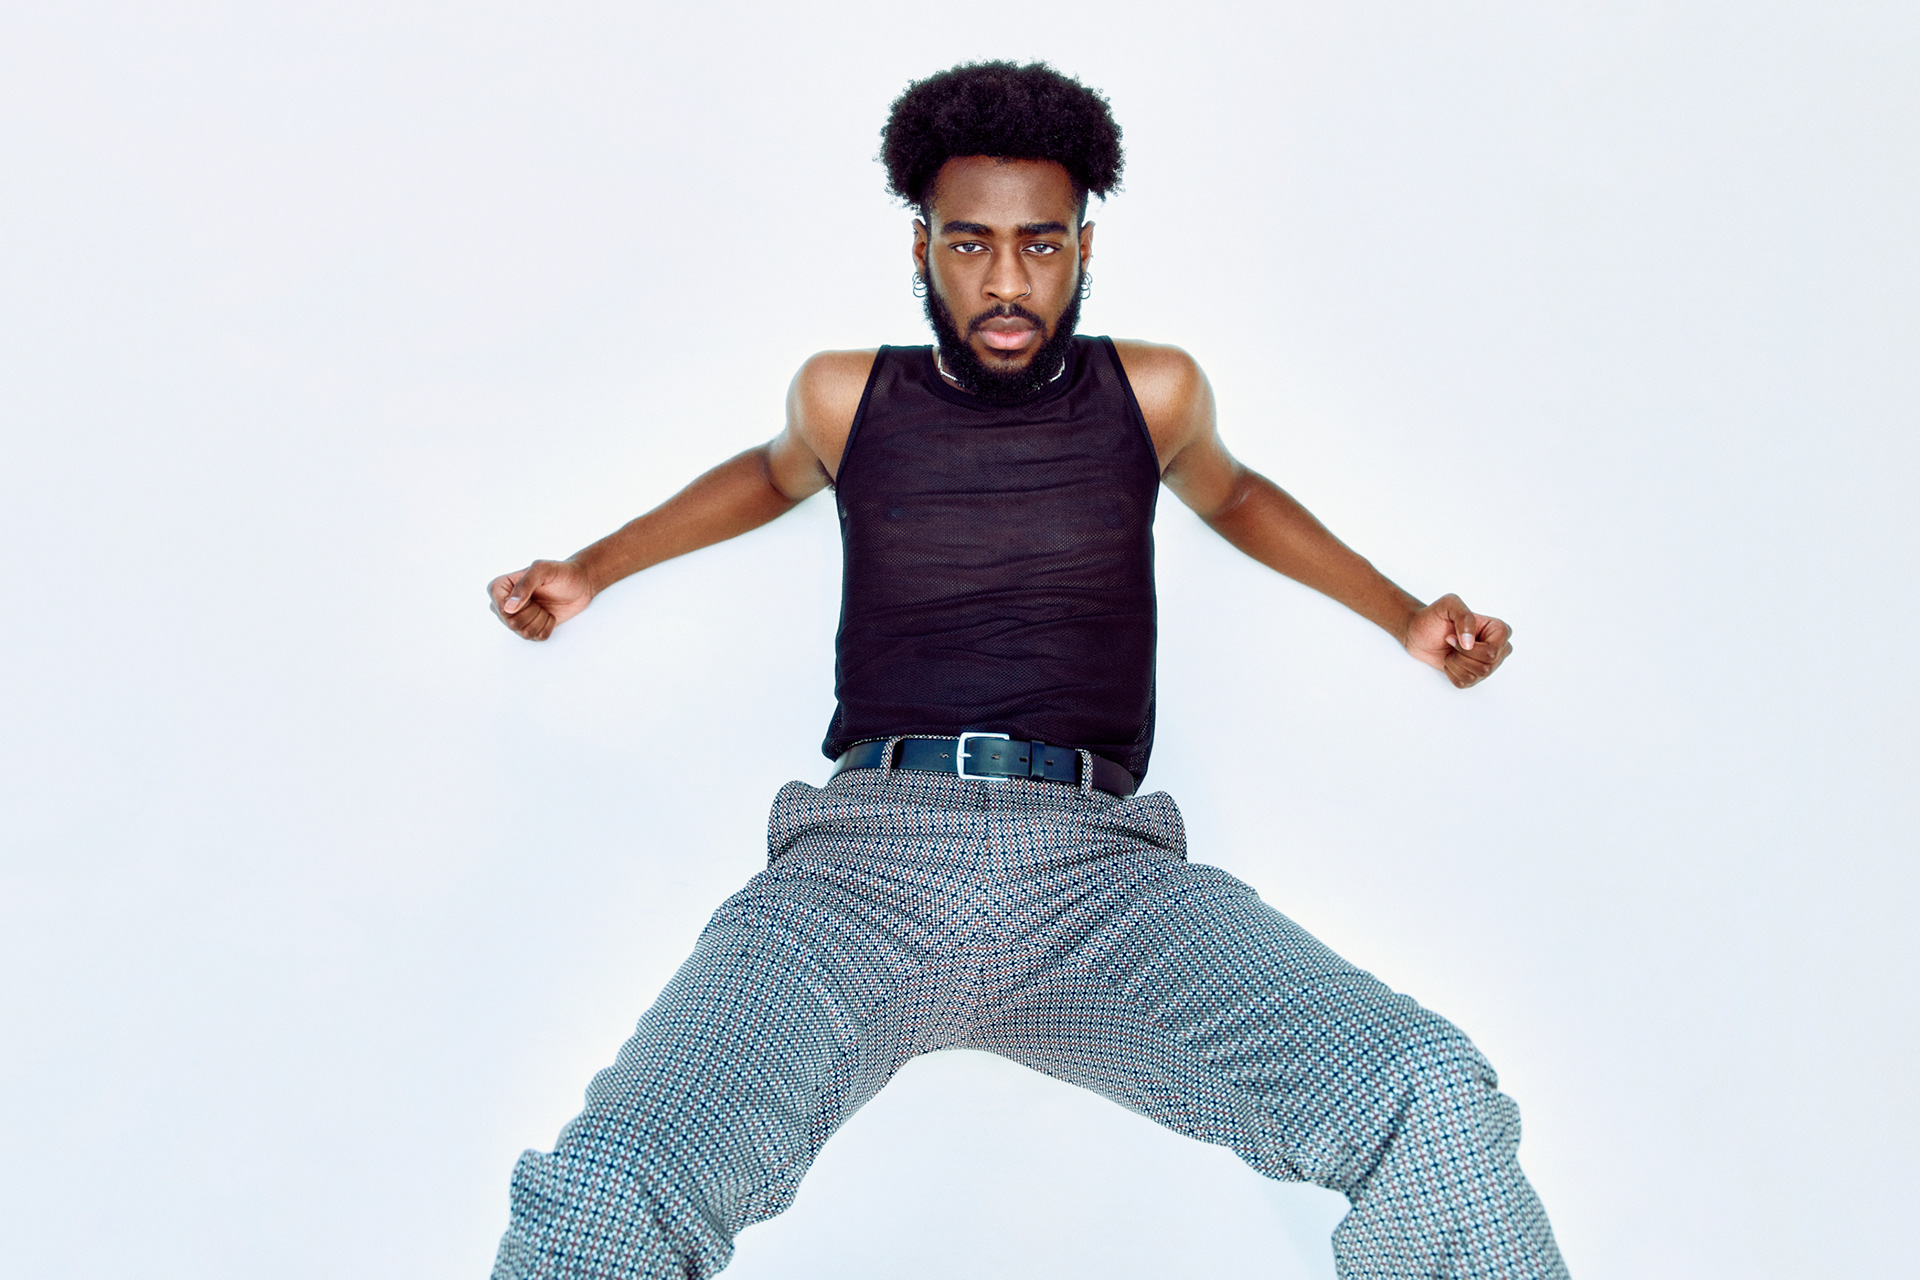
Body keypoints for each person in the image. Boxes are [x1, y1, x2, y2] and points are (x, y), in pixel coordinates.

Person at [485, 61, 1564, 1280]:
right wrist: (590, 568)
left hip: (1101, 883)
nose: (1007, 281)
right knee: (610, 1189)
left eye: (1041, 244)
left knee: (1431, 1096)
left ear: (1083, 246)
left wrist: (1407, 613)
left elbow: (1238, 496)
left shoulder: (1154, 391)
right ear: (922, 248)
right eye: (971, 243)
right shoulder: (845, 395)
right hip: (860, 870)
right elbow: (769, 473)